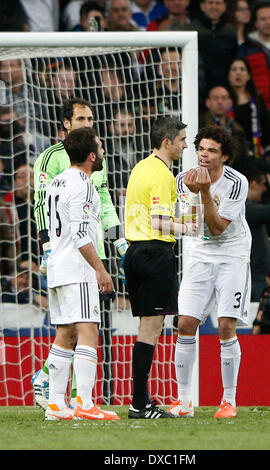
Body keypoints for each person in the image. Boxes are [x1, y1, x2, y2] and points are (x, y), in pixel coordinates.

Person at [32, 97, 126, 410]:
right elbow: (41, 207)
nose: (87, 124)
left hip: (90, 252)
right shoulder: (51, 160)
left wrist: (118, 242)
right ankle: (77, 398)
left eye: (90, 118)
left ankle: (61, 398)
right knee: (84, 329)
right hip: (74, 254)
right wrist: (46, 248)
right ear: (66, 124)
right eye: (81, 119)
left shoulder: (97, 161)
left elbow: (106, 204)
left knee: (72, 329)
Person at [168, 125, 251, 419]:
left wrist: (203, 193)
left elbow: (217, 229)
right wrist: (194, 196)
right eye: (201, 148)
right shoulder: (182, 180)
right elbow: (193, 226)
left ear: (224, 156)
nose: (204, 155)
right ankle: (184, 402)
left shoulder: (237, 183)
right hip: (199, 254)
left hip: (232, 254)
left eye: (212, 150)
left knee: (226, 326)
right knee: (185, 323)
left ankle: (228, 401)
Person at [124, 116, 197, 419]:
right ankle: (140, 404)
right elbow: (158, 222)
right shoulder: (163, 175)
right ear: (166, 142)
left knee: (147, 327)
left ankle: (140, 401)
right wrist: (189, 228)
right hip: (154, 252)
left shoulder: (141, 167)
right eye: (181, 140)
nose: (184, 145)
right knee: (150, 329)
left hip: (137, 251)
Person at [44, 126, 119, 421]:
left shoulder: (57, 181)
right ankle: (86, 403)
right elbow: (80, 234)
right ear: (91, 156)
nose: (102, 152)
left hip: (56, 265)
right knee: (88, 331)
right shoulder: (84, 184)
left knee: (65, 334)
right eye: (99, 148)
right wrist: (100, 270)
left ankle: (55, 406)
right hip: (78, 268)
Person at [184, 0, 238, 102]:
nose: (214, 6)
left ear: (224, 7)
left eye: (218, 3)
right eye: (210, 2)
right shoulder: (190, 30)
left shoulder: (231, 31)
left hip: (225, 86)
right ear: (202, 6)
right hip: (197, 87)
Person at [245, 166, 270, 301]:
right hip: (251, 279)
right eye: (263, 185)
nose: (265, 189)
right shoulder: (244, 208)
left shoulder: (250, 207)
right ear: (254, 185)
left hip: (257, 278)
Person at [227, 58, 270, 159]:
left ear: (248, 76)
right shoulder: (222, 99)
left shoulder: (257, 100)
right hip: (230, 153)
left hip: (254, 153)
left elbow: (266, 126)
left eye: (242, 69)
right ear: (228, 76)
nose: (238, 73)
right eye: (234, 69)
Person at [199, 86, 248, 172]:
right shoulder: (199, 123)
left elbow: (242, 161)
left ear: (230, 102)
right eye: (215, 98)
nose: (220, 101)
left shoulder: (238, 129)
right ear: (208, 103)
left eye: (224, 98)